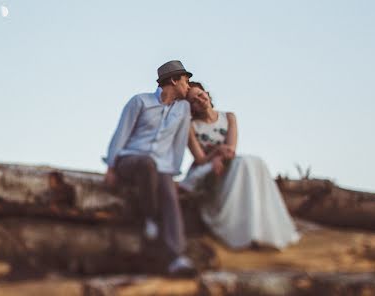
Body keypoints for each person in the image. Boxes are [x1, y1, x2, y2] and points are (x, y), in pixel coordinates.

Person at [179, 82, 300, 250]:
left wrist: (220, 155)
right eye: (193, 100)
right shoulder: (191, 126)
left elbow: (231, 149)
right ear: (191, 107)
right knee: (242, 163)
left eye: (200, 94)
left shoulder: (229, 117)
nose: (199, 100)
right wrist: (215, 155)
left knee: (254, 162)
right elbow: (200, 159)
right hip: (204, 167)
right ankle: (238, 232)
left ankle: (259, 230)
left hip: (228, 162)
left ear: (206, 93)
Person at [103, 60, 196, 277]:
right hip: (131, 160)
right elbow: (121, 133)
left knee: (170, 197)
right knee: (147, 163)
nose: (188, 87)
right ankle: (150, 218)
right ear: (173, 80)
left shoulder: (183, 109)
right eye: (185, 81)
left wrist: (174, 172)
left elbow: (179, 143)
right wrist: (111, 167)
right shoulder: (140, 102)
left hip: (162, 166)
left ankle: (177, 258)